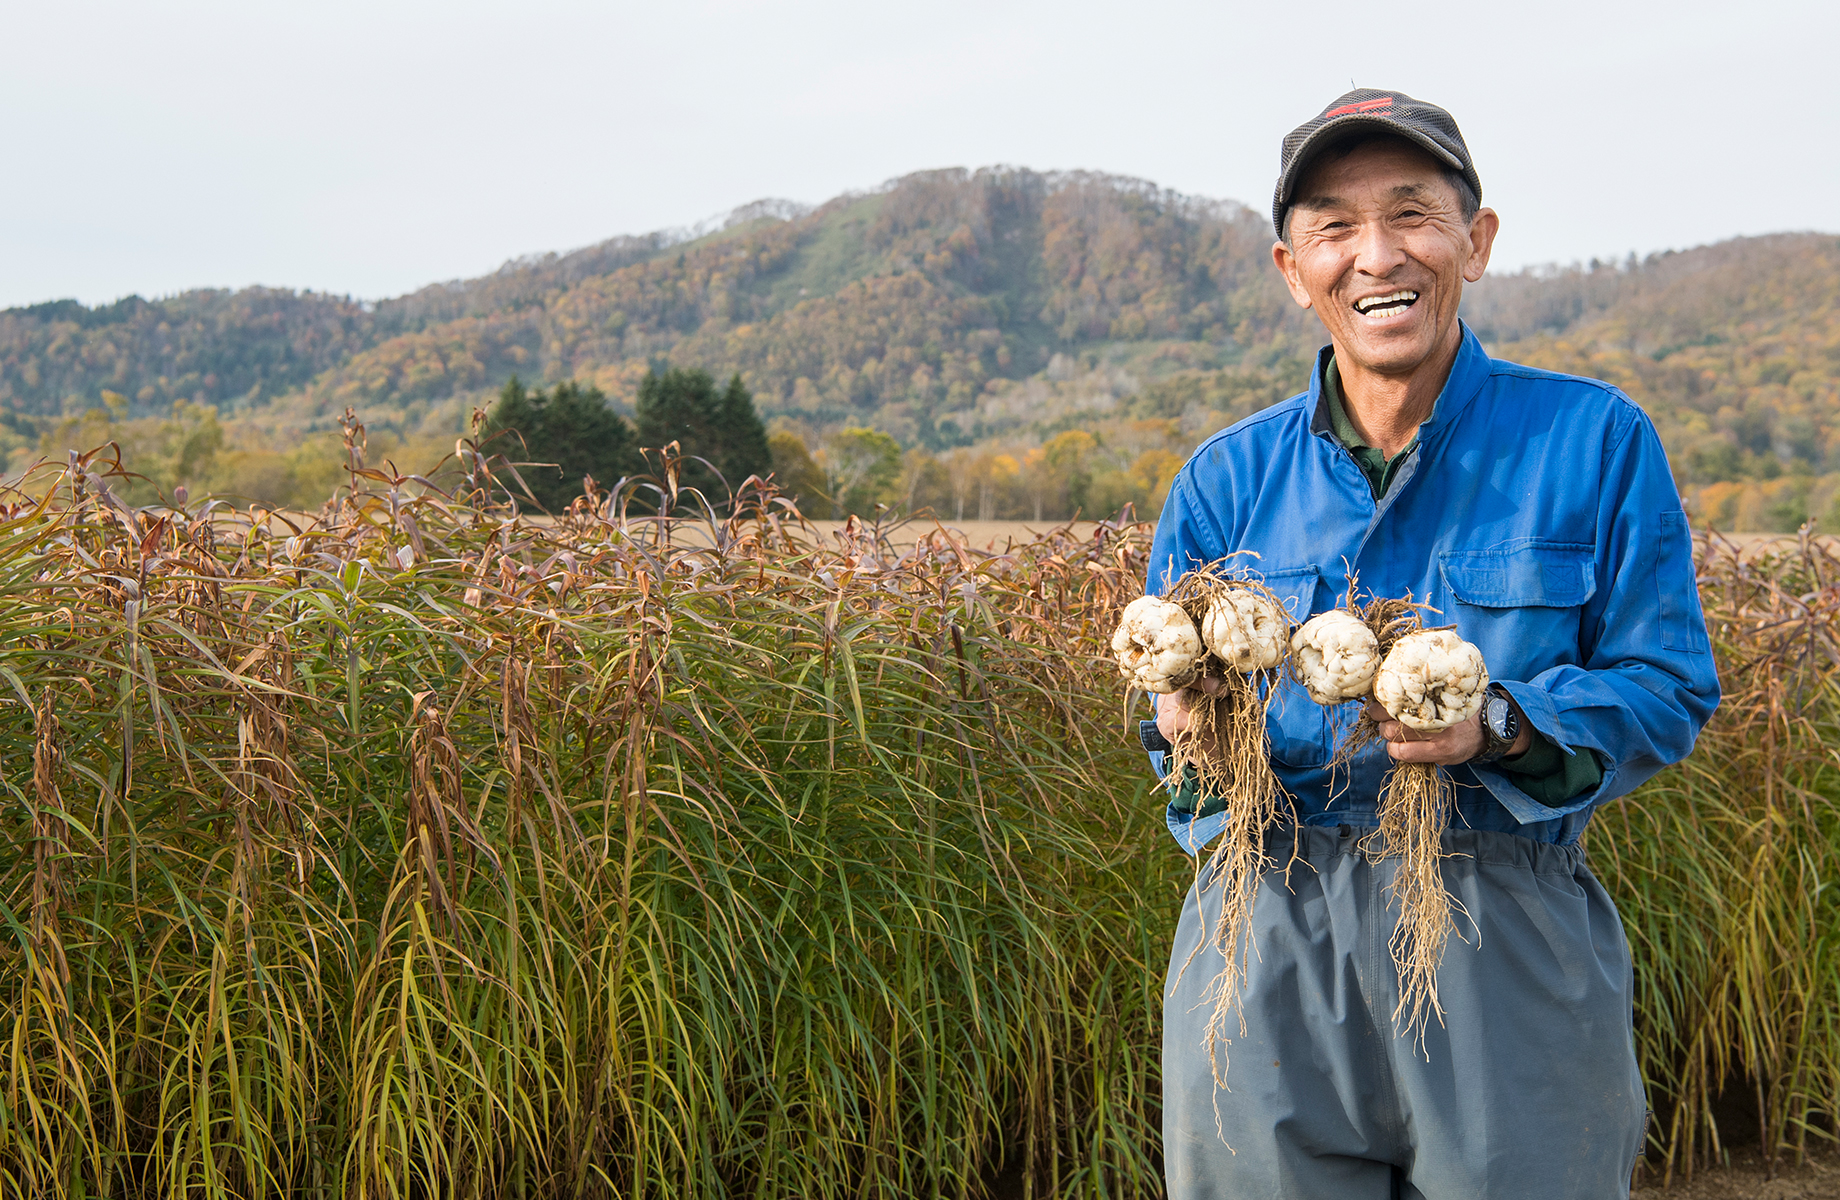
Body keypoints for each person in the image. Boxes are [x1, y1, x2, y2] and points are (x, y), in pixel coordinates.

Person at [1142, 89, 1720, 1199]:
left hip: (1500, 920)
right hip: (1265, 930)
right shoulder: (1224, 480)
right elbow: (1168, 719)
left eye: (1411, 214)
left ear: (1476, 241)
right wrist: (1186, 740)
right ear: (1290, 267)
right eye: (1332, 227)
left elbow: (1664, 686)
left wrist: (1501, 724)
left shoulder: (1591, 441)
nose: (1374, 255)